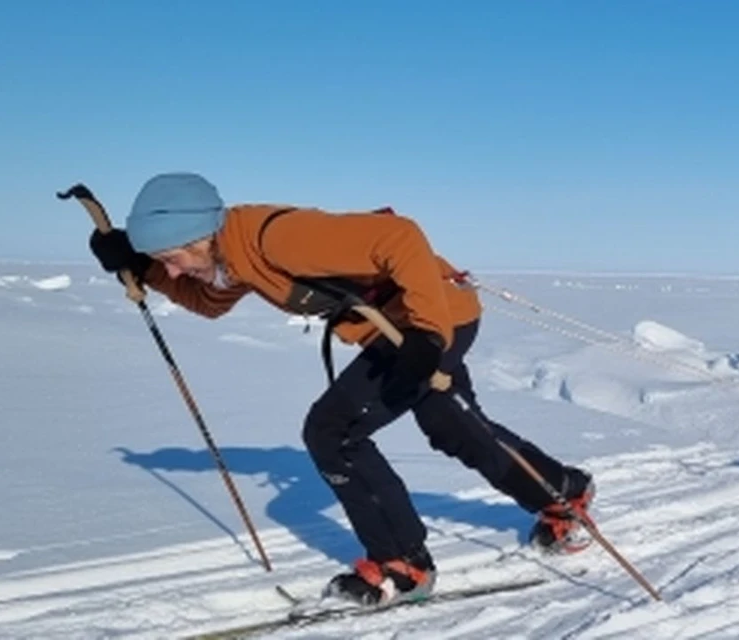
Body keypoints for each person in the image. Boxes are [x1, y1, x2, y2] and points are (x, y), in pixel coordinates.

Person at [89, 172, 595, 607]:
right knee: (451, 423)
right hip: (403, 329)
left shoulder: (274, 237)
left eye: (173, 256)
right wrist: (144, 271)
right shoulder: (232, 254)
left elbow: (400, 237)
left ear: (200, 234)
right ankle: (563, 491)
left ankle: (403, 565)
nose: (174, 268)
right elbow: (210, 302)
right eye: (165, 261)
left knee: (333, 432)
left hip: (428, 324)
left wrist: (426, 334)